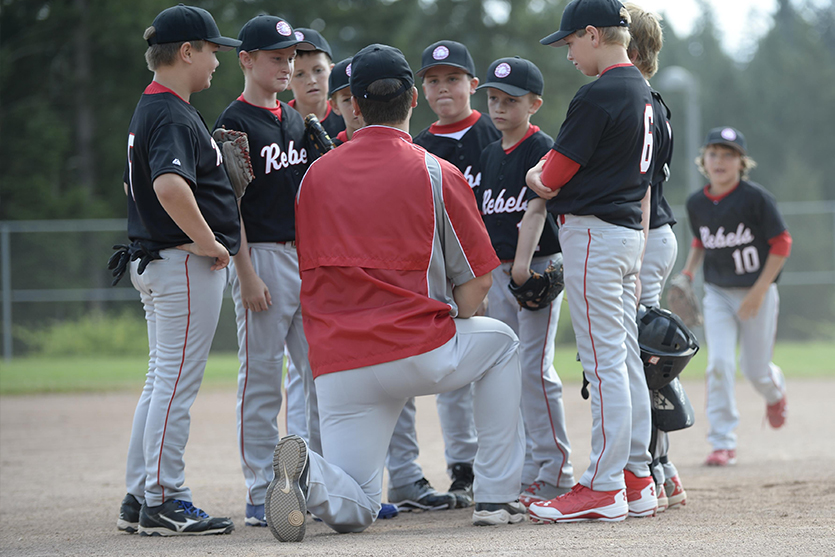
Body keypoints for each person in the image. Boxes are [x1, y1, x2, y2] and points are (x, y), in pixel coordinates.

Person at [265, 43, 527, 542]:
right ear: (412, 98)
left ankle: (308, 476)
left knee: (358, 508)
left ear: (353, 105)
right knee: (503, 344)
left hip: (339, 364)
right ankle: (496, 496)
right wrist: (453, 315)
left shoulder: (313, 178)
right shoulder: (435, 171)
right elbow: (477, 283)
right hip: (416, 349)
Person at [520, 0, 658, 523]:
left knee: (603, 366)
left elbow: (551, 176)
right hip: (624, 234)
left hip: (595, 236)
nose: (569, 54)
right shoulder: (646, 92)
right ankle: (635, 476)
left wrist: (535, 176)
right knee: (622, 359)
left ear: (594, 34)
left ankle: (602, 486)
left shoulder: (600, 92)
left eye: (571, 42)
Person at [115, 4, 241, 536]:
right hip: (180, 263)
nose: (217, 60)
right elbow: (168, 187)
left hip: (157, 259)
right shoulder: (170, 111)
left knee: (159, 380)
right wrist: (208, 240)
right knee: (174, 384)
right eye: (212, 50)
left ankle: (140, 494)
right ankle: (165, 498)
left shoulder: (153, 107)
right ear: (186, 51)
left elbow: (133, 186)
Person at [213, 14, 322, 529]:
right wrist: (246, 271)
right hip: (261, 257)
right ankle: (260, 489)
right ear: (246, 60)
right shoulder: (233, 125)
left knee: (319, 376)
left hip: (306, 257)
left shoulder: (296, 120)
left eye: (290, 58)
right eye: (276, 58)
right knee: (261, 380)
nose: (286, 67)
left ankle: (311, 484)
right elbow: (228, 206)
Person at [384, 39, 503, 511]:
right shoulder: (419, 146)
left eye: (452, 78)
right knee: (453, 373)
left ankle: (510, 466)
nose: (442, 88)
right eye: (432, 81)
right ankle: (463, 468)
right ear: (418, 92)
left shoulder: (496, 132)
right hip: (444, 276)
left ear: (473, 85)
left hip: (494, 268)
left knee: (505, 370)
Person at [474, 56, 575, 507]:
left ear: (534, 103)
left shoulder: (543, 149)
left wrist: (520, 266)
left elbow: (537, 209)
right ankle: (527, 468)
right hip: (499, 271)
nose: (498, 108)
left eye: (510, 101)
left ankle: (555, 469)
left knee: (535, 369)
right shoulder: (490, 152)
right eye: (493, 99)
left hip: (534, 268)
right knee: (506, 372)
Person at [679, 127, 791, 467]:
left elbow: (781, 244)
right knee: (719, 364)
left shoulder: (756, 199)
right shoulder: (697, 202)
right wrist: (687, 274)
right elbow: (701, 240)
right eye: (714, 154)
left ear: (742, 162)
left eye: (728, 154)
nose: (720, 161)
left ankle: (775, 393)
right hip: (717, 292)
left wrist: (758, 292)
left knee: (755, 370)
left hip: (758, 290)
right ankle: (723, 441)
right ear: (704, 161)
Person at [624, 1, 686, 511]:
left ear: (634, 49)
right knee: (644, 357)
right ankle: (658, 464)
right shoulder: (652, 99)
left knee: (642, 358)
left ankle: (651, 464)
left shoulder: (635, 98)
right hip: (656, 231)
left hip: (646, 232)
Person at [288, 28, 346, 138]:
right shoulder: (280, 121)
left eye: (318, 70)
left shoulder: (347, 117)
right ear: (287, 80)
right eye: (300, 74)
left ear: (331, 71)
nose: (311, 81)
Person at [328, 57, 364, 144]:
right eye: (347, 99)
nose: (356, 106)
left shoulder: (394, 142)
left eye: (361, 96)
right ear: (335, 106)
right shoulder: (331, 152)